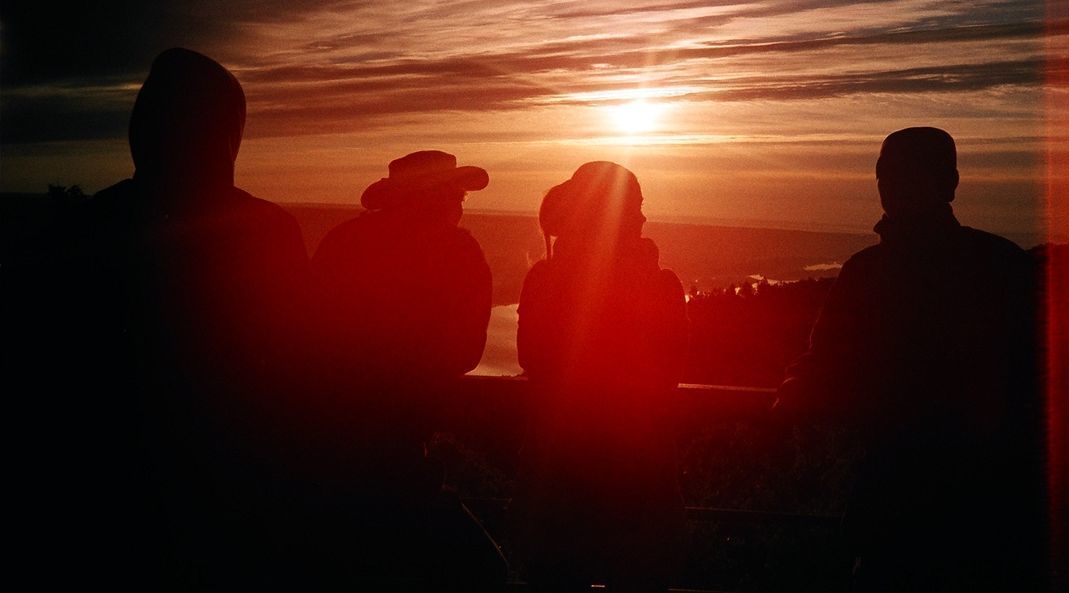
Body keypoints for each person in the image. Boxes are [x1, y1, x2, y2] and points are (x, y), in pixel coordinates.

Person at [57, 48, 312, 585]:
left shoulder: (86, 226)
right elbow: (297, 375)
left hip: (98, 499)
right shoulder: (269, 233)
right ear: (228, 134)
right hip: (228, 496)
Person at [774, 127, 1044, 592]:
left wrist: (791, 396)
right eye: (884, 174)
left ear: (949, 183)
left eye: (900, 174)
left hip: (897, 501)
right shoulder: (1005, 263)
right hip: (989, 510)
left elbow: (825, 365)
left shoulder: (868, 273)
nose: (888, 185)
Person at [310, 149, 502, 588]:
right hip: (400, 462)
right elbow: (466, 353)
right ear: (432, 197)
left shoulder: (342, 242)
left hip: (325, 456)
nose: (460, 203)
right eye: (454, 192)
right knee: (484, 571)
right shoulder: (458, 251)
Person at [514, 161, 687, 593]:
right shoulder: (660, 286)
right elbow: (670, 371)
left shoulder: (544, 280)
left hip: (556, 478)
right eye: (636, 206)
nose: (645, 216)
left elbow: (533, 360)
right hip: (639, 477)